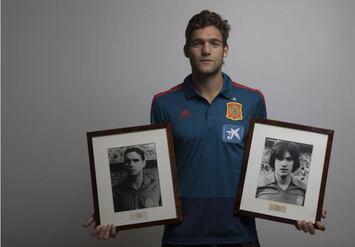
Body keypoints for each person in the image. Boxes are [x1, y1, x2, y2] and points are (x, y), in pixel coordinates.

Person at [83, 10, 326, 243]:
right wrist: (113, 212)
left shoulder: (252, 99)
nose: (206, 50)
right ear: (186, 50)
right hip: (182, 235)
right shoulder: (164, 102)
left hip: (239, 233)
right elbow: (158, 173)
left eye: (214, 43)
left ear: (226, 50)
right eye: (198, 43)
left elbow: (262, 166)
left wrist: (302, 206)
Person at [256, 141, 305, 206]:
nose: (284, 164)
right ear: (273, 161)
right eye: (280, 158)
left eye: (289, 159)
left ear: (295, 162)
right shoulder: (258, 186)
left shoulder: (304, 189)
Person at [112, 147, 162, 212]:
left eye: (136, 160)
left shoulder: (157, 186)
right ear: (124, 165)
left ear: (143, 163)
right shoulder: (115, 190)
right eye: (128, 161)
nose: (131, 164)